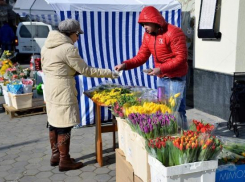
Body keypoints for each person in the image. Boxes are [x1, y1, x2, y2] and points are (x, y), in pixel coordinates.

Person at [41, 19, 119, 172]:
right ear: (72, 33)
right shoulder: (68, 49)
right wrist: (110, 73)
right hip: (63, 89)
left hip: (50, 88)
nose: (78, 38)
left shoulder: (47, 46)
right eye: (78, 35)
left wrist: (69, 71)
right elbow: (86, 70)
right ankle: (64, 161)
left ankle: (56, 156)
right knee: (64, 125)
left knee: (53, 122)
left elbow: (53, 66)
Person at [115, 6, 188, 129]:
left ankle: (184, 136)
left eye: (146, 24)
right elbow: (141, 56)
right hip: (161, 76)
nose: (144, 27)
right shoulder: (147, 35)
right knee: (163, 107)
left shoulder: (174, 32)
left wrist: (161, 68)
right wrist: (125, 65)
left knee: (177, 109)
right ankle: (167, 134)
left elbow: (181, 58)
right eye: (143, 25)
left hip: (176, 77)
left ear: (155, 22)